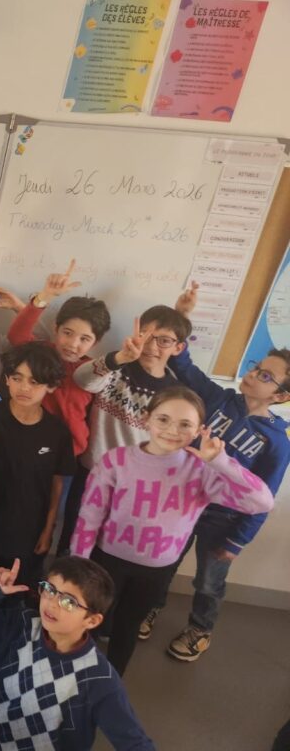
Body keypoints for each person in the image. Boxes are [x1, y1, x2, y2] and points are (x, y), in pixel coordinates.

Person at [70, 386, 274, 675]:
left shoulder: (202, 472)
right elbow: (90, 514)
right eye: (163, 419)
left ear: (199, 430)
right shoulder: (116, 460)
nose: (172, 430)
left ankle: (109, 684)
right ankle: (75, 675)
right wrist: (79, 562)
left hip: (156, 569)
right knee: (89, 621)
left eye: (185, 424)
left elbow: (262, 501)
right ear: (146, 418)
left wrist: (220, 462)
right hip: (107, 561)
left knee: (128, 628)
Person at [140, 282, 290, 660]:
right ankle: (151, 606)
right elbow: (184, 367)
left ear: (281, 396)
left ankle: (200, 628)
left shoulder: (277, 442)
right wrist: (182, 315)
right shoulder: (219, 398)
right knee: (165, 562)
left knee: (209, 581)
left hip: (224, 521)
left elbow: (264, 498)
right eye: (257, 368)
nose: (254, 375)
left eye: (267, 377)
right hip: (183, 504)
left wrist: (238, 541)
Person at [0, 556, 155, 751]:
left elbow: (135, 743)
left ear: (92, 620)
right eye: (49, 589)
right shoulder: (20, 625)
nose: (52, 603)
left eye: (69, 602)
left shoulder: (99, 678)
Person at [58, 306, 190, 554]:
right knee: (73, 542)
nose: (151, 346)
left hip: (131, 486)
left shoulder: (174, 394)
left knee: (108, 549)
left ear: (178, 348)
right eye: (146, 335)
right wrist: (118, 358)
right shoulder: (115, 368)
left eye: (163, 341)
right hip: (90, 474)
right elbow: (81, 378)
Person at [0, 343, 74, 594]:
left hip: (25, 525)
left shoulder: (57, 432)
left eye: (34, 382)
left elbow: (56, 483)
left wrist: (48, 528)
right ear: (7, 379)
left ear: (50, 386)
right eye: (17, 378)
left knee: (15, 591)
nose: (24, 387)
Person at [7, 260, 111, 459]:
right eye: (67, 333)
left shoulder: (93, 371)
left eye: (84, 339)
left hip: (67, 453)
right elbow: (17, 336)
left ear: (95, 342)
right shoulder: (42, 353)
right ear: (56, 328)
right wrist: (45, 296)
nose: (73, 344)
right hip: (27, 446)